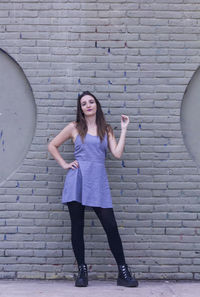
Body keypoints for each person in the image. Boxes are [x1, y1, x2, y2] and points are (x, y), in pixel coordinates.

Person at [48, 91, 138, 288]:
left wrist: (123, 129)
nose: (88, 105)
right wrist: (65, 164)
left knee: (111, 227)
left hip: (98, 181)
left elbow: (117, 154)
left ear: (96, 105)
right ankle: (82, 271)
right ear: (80, 109)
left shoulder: (106, 129)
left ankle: (123, 272)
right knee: (77, 227)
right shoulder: (73, 127)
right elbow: (52, 145)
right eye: (83, 103)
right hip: (77, 180)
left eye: (91, 102)